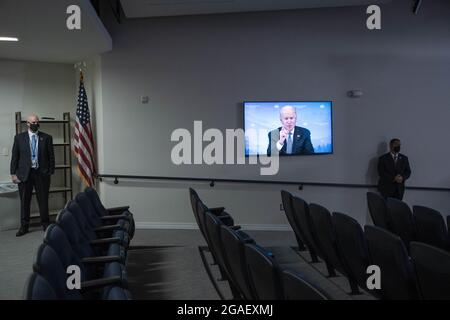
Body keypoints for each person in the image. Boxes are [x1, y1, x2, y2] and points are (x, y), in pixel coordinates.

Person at [10, 114, 55, 236]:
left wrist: (50, 172)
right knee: (25, 201)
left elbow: (51, 156)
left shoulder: (47, 138)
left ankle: (46, 224)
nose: (35, 124)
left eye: (37, 122)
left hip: (41, 174)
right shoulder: (19, 138)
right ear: (27, 124)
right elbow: (15, 157)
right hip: (24, 174)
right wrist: (13, 174)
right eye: (33, 122)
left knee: (43, 200)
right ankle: (24, 227)